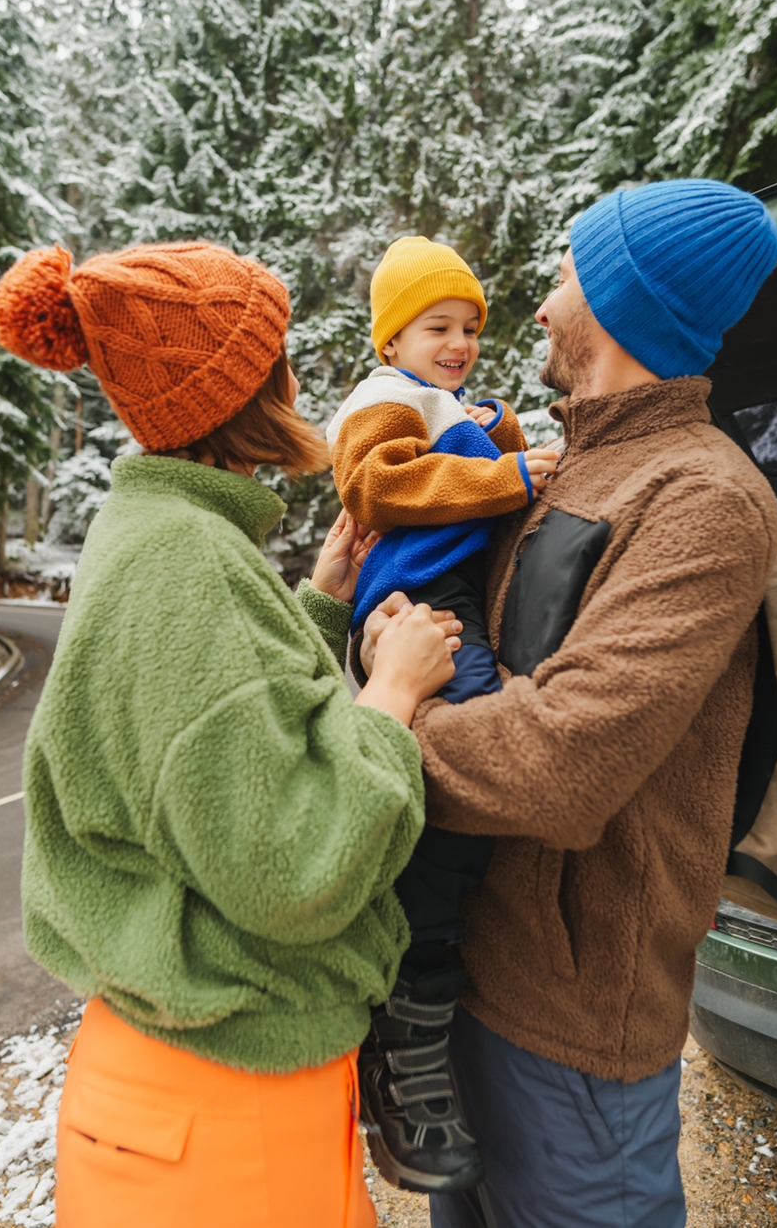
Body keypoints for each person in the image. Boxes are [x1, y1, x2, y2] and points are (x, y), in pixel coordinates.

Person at [0, 240, 464, 1228]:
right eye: (273, 357)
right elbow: (288, 865)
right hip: (223, 1107)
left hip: (192, 1080)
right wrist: (393, 694)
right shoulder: (188, 563)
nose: (292, 379)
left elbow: (210, 724)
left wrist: (320, 609)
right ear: (237, 389)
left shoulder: (158, 534)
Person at [373, 179, 777, 1228]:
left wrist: (387, 718)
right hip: (467, 974)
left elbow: (565, 763)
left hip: (574, 1020)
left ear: (612, 302)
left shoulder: (701, 496)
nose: (543, 304)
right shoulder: (558, 468)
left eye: (564, 276)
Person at [324, 236, 562, 1192]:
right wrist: (511, 473)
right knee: (468, 766)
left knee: (475, 774)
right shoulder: (385, 398)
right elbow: (376, 484)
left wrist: (505, 436)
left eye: (470, 327)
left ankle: (429, 950)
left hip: (457, 594)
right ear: (392, 338)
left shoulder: (455, 406)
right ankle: (407, 988)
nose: (459, 344)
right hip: (416, 601)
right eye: (437, 327)